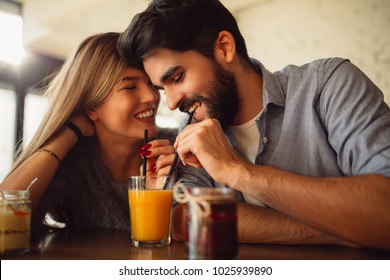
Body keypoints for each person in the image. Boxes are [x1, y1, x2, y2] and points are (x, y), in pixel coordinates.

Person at [117, 0, 390, 249]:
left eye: (177, 78)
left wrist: (238, 172)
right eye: (163, 90)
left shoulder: (330, 85)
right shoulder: (192, 127)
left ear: (224, 47)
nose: (173, 103)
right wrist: (341, 228)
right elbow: (184, 219)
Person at [0, 32, 177, 237]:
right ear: (91, 107)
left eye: (150, 83)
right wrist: (70, 131)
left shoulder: (177, 149)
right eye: (129, 87)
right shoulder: (74, 162)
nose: (152, 96)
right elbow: (6, 224)